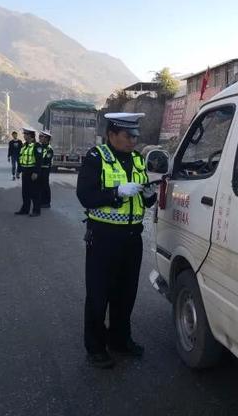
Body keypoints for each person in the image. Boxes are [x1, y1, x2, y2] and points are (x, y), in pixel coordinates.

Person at [76, 112, 157, 369]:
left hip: (132, 238)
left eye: (136, 136)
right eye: (128, 135)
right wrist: (116, 193)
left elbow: (145, 200)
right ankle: (95, 347)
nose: (133, 140)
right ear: (112, 135)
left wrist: (149, 195)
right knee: (99, 294)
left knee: (126, 293)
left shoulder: (137, 159)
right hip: (104, 237)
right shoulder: (96, 157)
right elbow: (85, 195)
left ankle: (120, 339)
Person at [15, 127, 43, 217]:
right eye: (24, 134)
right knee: (25, 192)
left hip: (33, 172)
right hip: (25, 171)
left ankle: (36, 211)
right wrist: (18, 171)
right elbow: (21, 158)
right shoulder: (24, 146)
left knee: (34, 192)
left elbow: (39, 160)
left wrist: (36, 172)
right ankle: (25, 209)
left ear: (30, 135)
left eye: (25, 134)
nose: (24, 136)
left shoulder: (37, 146)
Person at [38, 130, 54, 208]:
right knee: (40, 185)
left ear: (46, 138)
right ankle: (41, 201)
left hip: (45, 169)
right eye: (40, 136)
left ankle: (47, 202)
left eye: (42, 137)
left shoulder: (49, 149)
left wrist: (39, 162)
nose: (40, 138)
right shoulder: (41, 146)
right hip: (40, 168)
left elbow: (46, 160)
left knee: (45, 185)